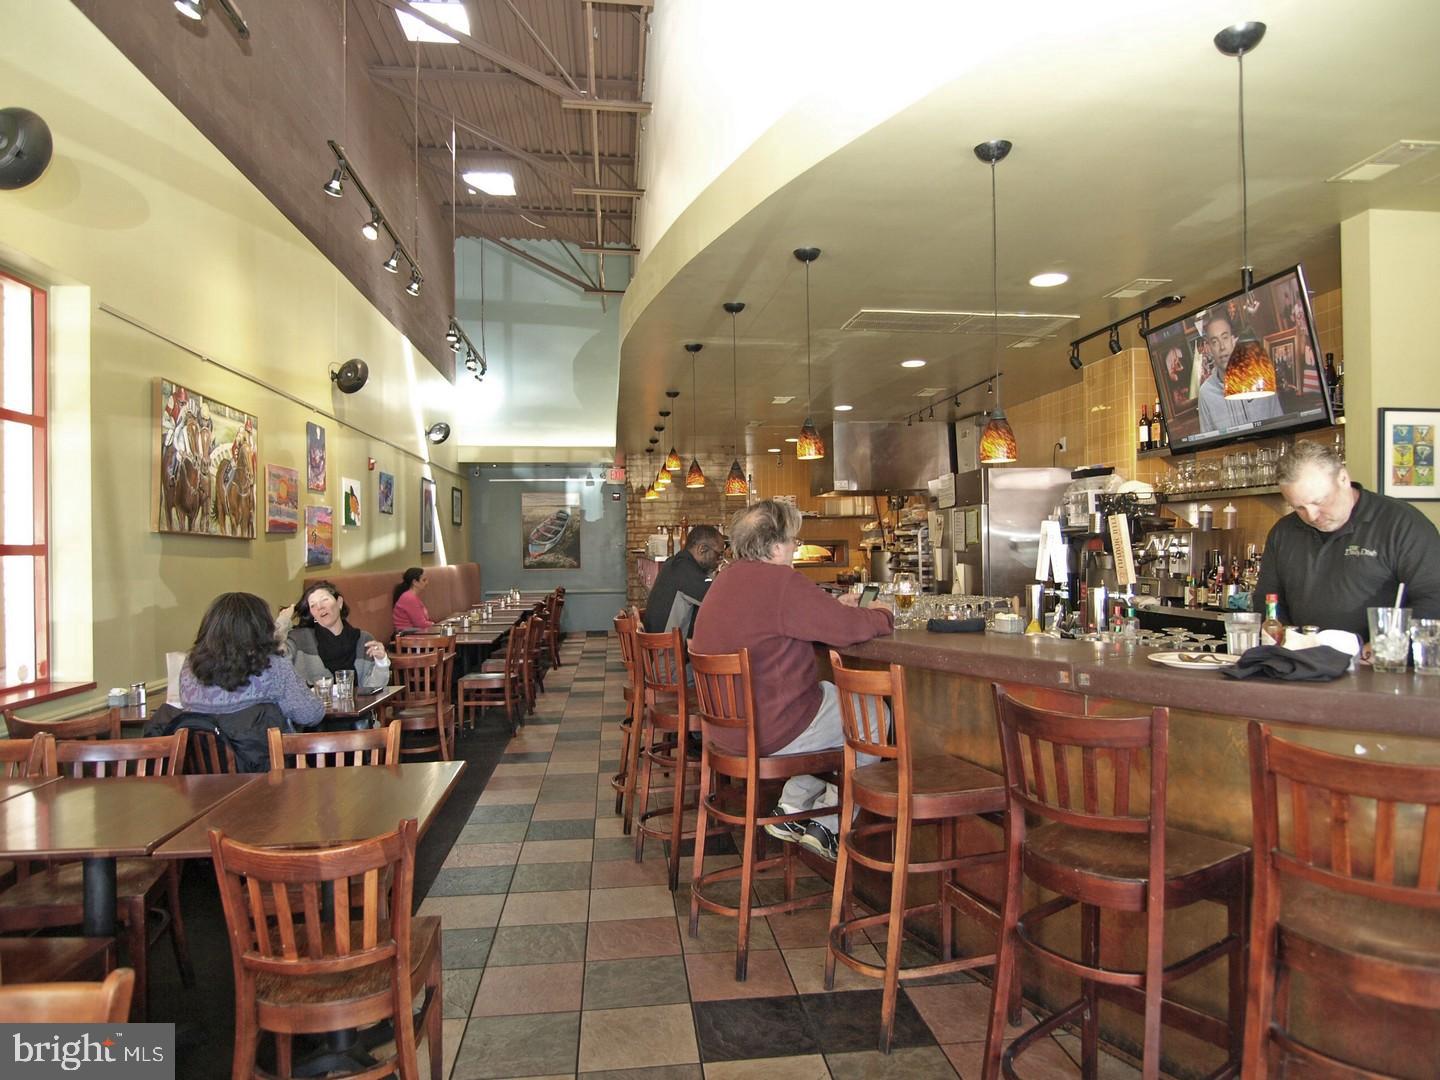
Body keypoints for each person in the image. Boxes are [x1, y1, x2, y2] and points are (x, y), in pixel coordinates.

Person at [690, 500, 894, 858]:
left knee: (833, 707)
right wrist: (881, 614)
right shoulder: (781, 582)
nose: (796, 546)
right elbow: (848, 629)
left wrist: (832, 610)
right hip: (771, 731)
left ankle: (793, 810)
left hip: (726, 733)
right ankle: (829, 826)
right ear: (773, 546)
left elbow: (799, 618)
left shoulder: (726, 579)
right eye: (793, 539)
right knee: (871, 713)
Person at [1253, 440, 1440, 639]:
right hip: (1304, 661)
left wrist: (1385, 645)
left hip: (1380, 664)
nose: (1312, 516)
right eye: (1299, 507)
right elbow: (1268, 601)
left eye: (1319, 501)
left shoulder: (1402, 524)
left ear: (1343, 478)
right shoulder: (1284, 532)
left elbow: (1433, 600)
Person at [178, 592, 324, 730]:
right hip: (266, 755)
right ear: (261, 627)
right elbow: (310, 714)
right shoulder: (274, 666)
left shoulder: (189, 667)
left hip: (206, 755)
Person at [275, 580, 391, 690]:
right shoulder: (299, 639)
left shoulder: (364, 639)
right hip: (318, 710)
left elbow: (373, 689)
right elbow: (272, 659)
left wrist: (381, 662)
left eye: (324, 600)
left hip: (357, 709)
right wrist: (283, 621)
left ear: (339, 602)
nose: (320, 607)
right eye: (313, 605)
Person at [1196, 313, 1284, 433]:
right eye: (1215, 342)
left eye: (1225, 337)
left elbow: (1281, 424)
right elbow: (1207, 444)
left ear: (1234, 340)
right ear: (1209, 349)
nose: (1222, 347)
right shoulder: (1206, 393)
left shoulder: (1261, 377)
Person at [643, 524, 724, 634]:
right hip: (668, 649)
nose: (720, 560)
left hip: (658, 645)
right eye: (718, 554)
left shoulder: (675, 563)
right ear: (702, 549)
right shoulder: (686, 572)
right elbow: (720, 600)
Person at [392, 567, 434, 632]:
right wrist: (435, 625)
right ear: (415, 582)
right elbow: (420, 624)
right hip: (409, 635)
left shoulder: (411, 596)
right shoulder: (409, 598)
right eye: (424, 580)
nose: (427, 582)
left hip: (415, 633)